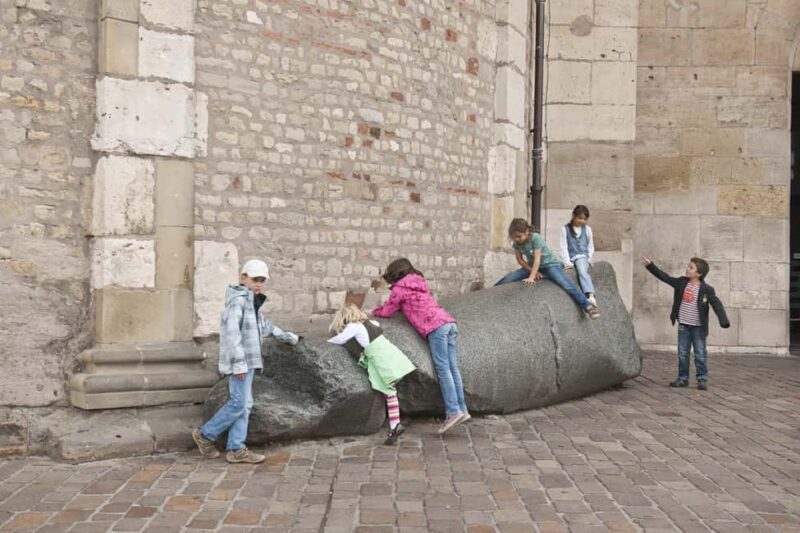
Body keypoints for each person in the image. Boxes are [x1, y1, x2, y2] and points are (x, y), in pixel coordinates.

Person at [192, 259, 300, 463]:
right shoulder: (238, 302)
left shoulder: (252, 302)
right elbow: (232, 335)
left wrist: (290, 337)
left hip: (250, 362)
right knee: (238, 403)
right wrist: (240, 364)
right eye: (255, 279)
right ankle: (205, 435)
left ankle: (236, 448)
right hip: (240, 362)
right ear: (243, 278)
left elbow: (265, 325)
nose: (259, 283)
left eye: (262, 280)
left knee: (245, 404)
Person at [372, 258, 470, 434]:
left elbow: (387, 311)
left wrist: (373, 312)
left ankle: (453, 412)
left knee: (443, 369)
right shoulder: (419, 282)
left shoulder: (399, 289)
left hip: (435, 328)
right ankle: (462, 408)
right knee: (453, 368)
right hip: (448, 322)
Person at [327, 303, 416, 445]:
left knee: (389, 391)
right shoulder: (372, 323)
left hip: (381, 360)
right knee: (390, 391)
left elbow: (340, 339)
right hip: (391, 354)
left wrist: (326, 341)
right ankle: (394, 426)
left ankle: (395, 425)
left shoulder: (353, 327)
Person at [641, 256, 730, 390]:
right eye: (688, 266)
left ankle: (702, 379)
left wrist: (723, 321)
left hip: (698, 328)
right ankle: (683, 378)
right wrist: (650, 266)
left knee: (700, 354)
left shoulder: (707, 289)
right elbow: (665, 277)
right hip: (684, 325)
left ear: (699, 273)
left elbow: (716, 304)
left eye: (691, 268)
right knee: (683, 353)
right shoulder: (681, 283)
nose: (687, 269)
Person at [496, 218, 600, 319]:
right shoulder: (517, 243)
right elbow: (520, 260)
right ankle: (484, 298)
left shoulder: (536, 238)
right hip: (532, 267)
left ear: (527, 231)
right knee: (508, 278)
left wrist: (531, 277)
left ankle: (588, 306)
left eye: (519, 236)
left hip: (549, 265)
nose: (517, 239)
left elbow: (537, 259)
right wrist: (532, 272)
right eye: (514, 237)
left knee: (565, 283)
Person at [559, 205, 597, 306]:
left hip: (582, 256)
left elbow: (590, 246)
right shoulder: (565, 229)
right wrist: (567, 262)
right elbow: (563, 247)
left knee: (581, 270)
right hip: (570, 257)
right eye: (580, 218)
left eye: (584, 219)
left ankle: (591, 295)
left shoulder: (587, 229)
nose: (582, 221)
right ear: (573, 216)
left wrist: (588, 259)